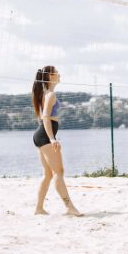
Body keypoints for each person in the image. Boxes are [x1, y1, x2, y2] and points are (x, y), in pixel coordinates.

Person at [32, 66, 82, 216]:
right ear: (50, 76)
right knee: (58, 172)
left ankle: (39, 209)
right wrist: (52, 138)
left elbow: (42, 117)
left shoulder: (45, 93)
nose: (60, 74)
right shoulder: (50, 94)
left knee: (48, 174)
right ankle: (69, 207)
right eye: (57, 72)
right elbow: (45, 117)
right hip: (45, 136)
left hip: (41, 135)